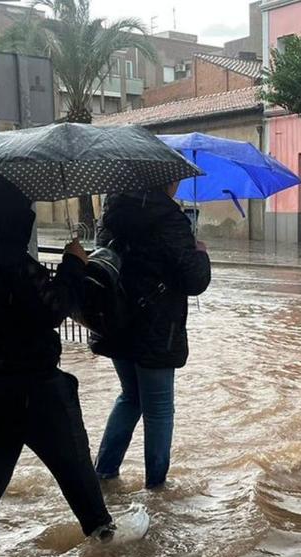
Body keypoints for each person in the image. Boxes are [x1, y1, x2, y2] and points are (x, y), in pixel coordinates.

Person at [0, 169, 148, 557]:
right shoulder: (11, 263)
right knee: (73, 465)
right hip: (29, 388)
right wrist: (72, 267)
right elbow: (50, 310)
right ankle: (102, 534)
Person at [90, 182, 212, 490]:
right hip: (156, 327)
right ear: (166, 181)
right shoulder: (170, 219)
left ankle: (104, 472)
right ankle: (156, 486)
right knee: (158, 408)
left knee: (130, 396)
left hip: (116, 319)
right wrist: (201, 254)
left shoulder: (112, 211)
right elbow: (194, 280)